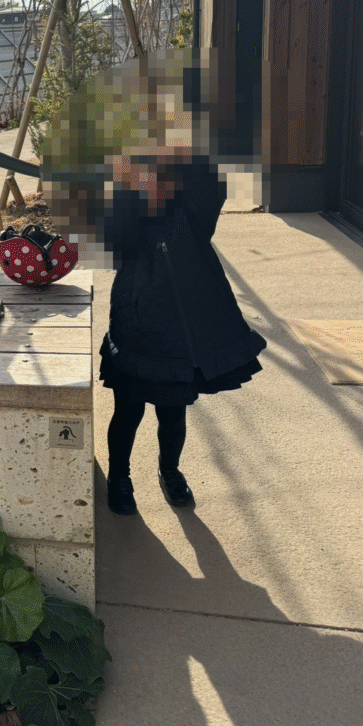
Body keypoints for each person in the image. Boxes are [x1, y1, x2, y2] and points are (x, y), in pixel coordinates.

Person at [98, 140, 265, 515]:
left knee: (172, 413)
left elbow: (211, 183)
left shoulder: (191, 218)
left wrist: (190, 151)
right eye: (140, 178)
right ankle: (119, 476)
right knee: (127, 411)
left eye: (160, 177)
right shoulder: (125, 221)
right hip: (135, 329)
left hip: (178, 339)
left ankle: (169, 470)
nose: (150, 184)